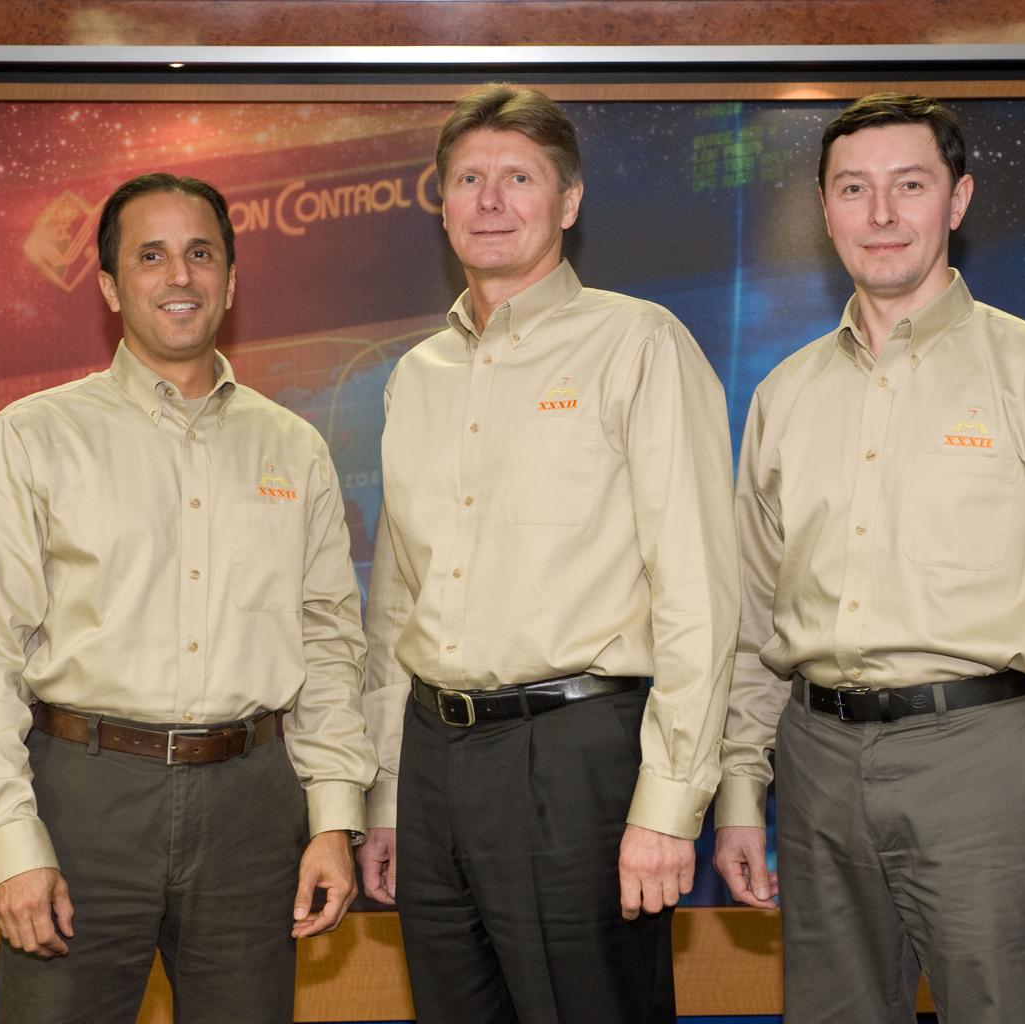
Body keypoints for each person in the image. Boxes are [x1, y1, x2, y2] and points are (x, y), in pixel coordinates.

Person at [713, 92, 1025, 1023]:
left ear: (957, 201)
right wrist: (737, 787)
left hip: (982, 764)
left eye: (910, 185)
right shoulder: (784, 395)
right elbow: (754, 623)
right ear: (825, 208)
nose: (881, 214)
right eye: (854, 188)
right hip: (814, 763)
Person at [0, 172, 377, 1023]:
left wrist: (333, 818)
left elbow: (329, 646)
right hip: (82, 804)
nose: (180, 276)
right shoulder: (34, 438)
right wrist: (12, 846)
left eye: (201, 253)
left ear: (233, 279)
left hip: (253, 809)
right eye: (151, 256)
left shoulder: (297, 448)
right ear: (108, 286)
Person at [356, 84, 738, 1024]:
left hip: (577, 758)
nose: (490, 200)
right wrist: (388, 796)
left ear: (567, 203)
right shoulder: (417, 376)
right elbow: (398, 602)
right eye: (468, 179)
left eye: (518, 178)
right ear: (439, 203)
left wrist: (667, 805)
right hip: (435, 759)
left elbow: (700, 590)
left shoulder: (638, 344)